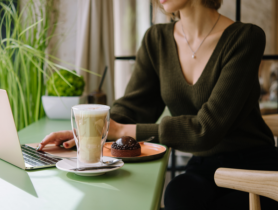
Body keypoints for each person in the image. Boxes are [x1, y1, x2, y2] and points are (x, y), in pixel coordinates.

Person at [37, 0, 278, 209]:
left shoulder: (246, 38)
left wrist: (120, 131)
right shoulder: (156, 40)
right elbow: (133, 106)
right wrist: (87, 133)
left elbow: (206, 129)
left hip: (256, 167)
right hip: (206, 166)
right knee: (176, 197)